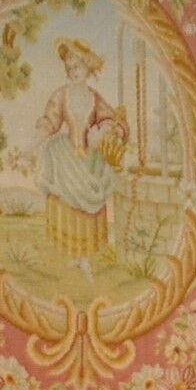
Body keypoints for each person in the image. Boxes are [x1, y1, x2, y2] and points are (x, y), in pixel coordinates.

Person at [33, 38, 128, 258]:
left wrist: (102, 132)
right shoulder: (61, 94)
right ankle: (66, 252)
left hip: (90, 155)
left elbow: (112, 121)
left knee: (94, 187)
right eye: (69, 68)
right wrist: (38, 138)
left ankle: (90, 252)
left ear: (87, 65)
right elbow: (51, 119)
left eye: (76, 66)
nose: (72, 71)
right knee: (62, 191)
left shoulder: (94, 98)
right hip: (66, 154)